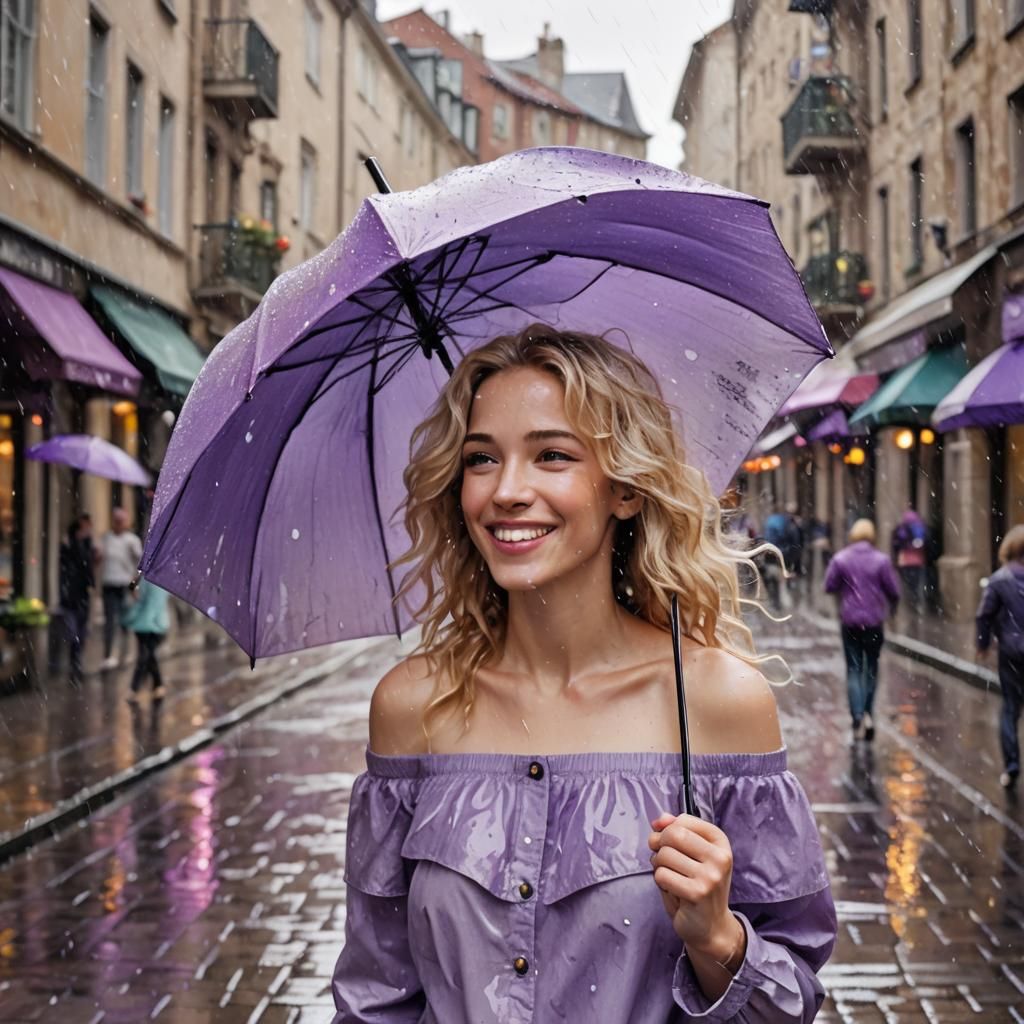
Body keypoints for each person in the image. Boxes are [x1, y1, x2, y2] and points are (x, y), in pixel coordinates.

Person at [331, 326, 836, 1022]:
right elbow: (375, 998)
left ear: (623, 489)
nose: (507, 490)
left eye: (552, 455)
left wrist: (719, 939)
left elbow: (791, 1001)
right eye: (482, 458)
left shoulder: (715, 701)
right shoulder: (413, 706)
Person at [823, 519, 900, 743]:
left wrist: (845, 588)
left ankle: (856, 714)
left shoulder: (841, 558)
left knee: (854, 669)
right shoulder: (881, 560)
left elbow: (829, 586)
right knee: (871, 669)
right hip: (874, 621)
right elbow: (894, 591)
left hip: (850, 621)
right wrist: (891, 609)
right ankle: (868, 713)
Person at [976, 525, 1024, 790]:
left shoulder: (999, 579)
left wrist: (983, 644)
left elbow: (984, 615)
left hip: (1011, 652)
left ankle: (1012, 764)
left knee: (1010, 708)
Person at [99, 507, 142, 669]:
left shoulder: (132, 540)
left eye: (121, 521)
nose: (119, 524)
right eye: (116, 521)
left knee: (126, 621)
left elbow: (139, 566)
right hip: (109, 583)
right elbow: (98, 560)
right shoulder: (106, 538)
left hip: (125, 585)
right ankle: (108, 655)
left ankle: (126, 653)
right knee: (110, 621)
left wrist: (134, 587)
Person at [58, 514, 95, 682]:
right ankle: (74, 666)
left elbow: (88, 567)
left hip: (82, 594)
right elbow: (80, 563)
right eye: (86, 526)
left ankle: (76, 665)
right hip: (71, 596)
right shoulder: (70, 543)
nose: (89, 529)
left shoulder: (85, 543)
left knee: (80, 632)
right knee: (74, 634)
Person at [122, 579, 170, 703]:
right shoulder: (165, 580)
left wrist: (127, 619)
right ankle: (157, 685)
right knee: (149, 655)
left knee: (145, 656)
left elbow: (140, 602)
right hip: (160, 623)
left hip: (145, 624)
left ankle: (135, 688)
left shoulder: (145, 580)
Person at [890, 507, 927, 612]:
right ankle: (915, 600)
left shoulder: (901, 529)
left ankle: (910, 600)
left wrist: (895, 558)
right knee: (916, 582)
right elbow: (926, 542)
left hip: (905, 561)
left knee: (908, 582)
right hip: (918, 560)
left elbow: (896, 546)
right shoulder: (920, 527)